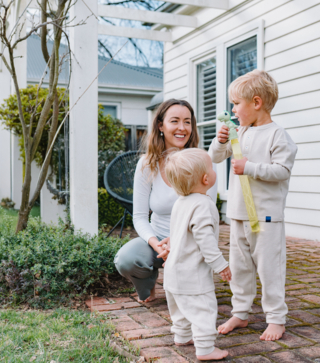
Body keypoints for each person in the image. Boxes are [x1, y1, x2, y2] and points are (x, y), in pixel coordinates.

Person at [209, 69, 297, 341]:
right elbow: (214, 156)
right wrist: (221, 139)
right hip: (237, 215)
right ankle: (241, 312)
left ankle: (276, 319)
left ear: (256, 103)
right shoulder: (240, 132)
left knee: (270, 269)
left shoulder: (278, 136)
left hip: (266, 218)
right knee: (240, 268)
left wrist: (250, 167)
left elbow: (282, 171)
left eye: (237, 104)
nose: (233, 110)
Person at [113, 99, 217, 303]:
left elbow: (209, 212)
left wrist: (178, 241)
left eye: (187, 122)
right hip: (159, 239)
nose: (182, 128)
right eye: (175, 121)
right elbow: (141, 217)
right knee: (126, 260)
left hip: (192, 238)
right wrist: (157, 244)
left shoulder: (202, 161)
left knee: (190, 299)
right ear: (160, 125)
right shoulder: (147, 163)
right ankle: (148, 283)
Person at [163, 148, 231, 361]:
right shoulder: (203, 204)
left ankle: (182, 337)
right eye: (211, 167)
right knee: (203, 309)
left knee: (181, 310)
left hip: (173, 272)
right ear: (205, 178)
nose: (213, 170)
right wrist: (220, 265)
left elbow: (174, 234)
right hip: (192, 274)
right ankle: (205, 349)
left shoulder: (180, 203)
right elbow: (206, 242)